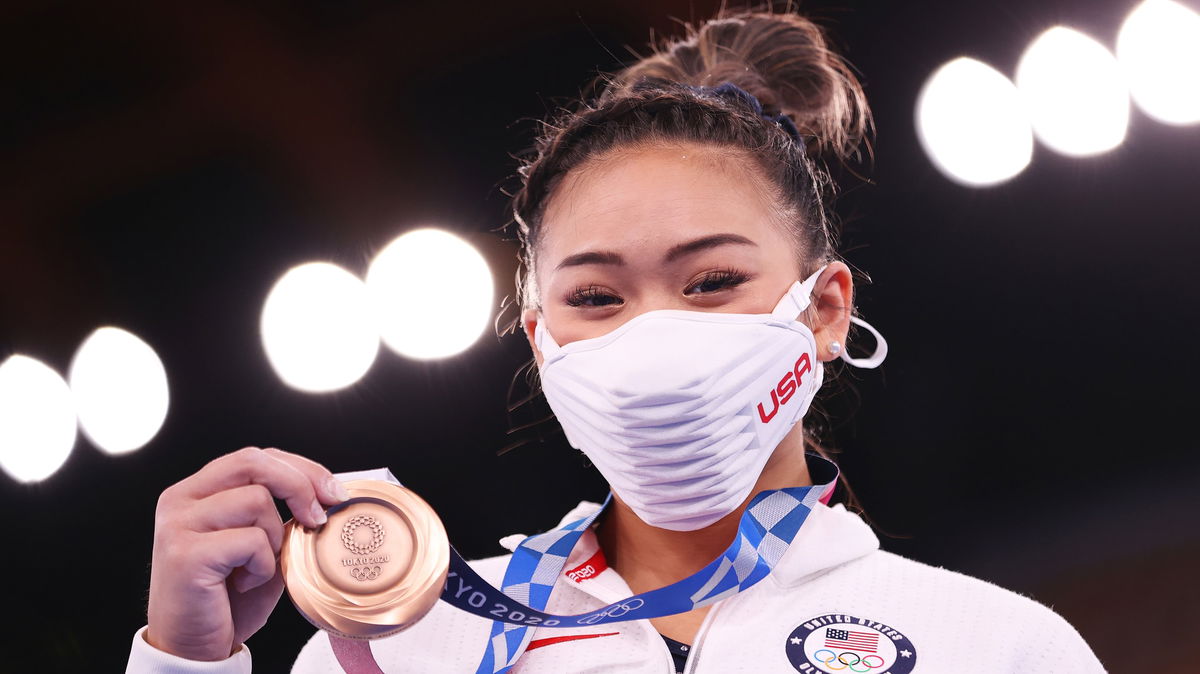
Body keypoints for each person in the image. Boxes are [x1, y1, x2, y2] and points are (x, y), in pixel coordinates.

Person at [126, 7, 1106, 674]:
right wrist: (182, 658)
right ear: (542, 338)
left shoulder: (997, 646)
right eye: (597, 294)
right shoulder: (410, 640)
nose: (654, 338)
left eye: (713, 280)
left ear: (824, 309)